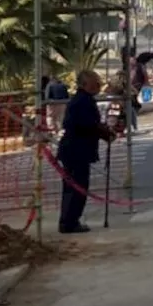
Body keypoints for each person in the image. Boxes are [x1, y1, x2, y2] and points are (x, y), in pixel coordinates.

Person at [56, 70, 113, 234]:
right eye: (95, 83)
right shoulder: (82, 101)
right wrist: (105, 133)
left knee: (74, 187)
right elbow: (88, 125)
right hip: (76, 151)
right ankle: (70, 222)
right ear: (85, 84)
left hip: (77, 150)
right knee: (76, 187)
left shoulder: (84, 100)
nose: (99, 86)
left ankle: (69, 221)